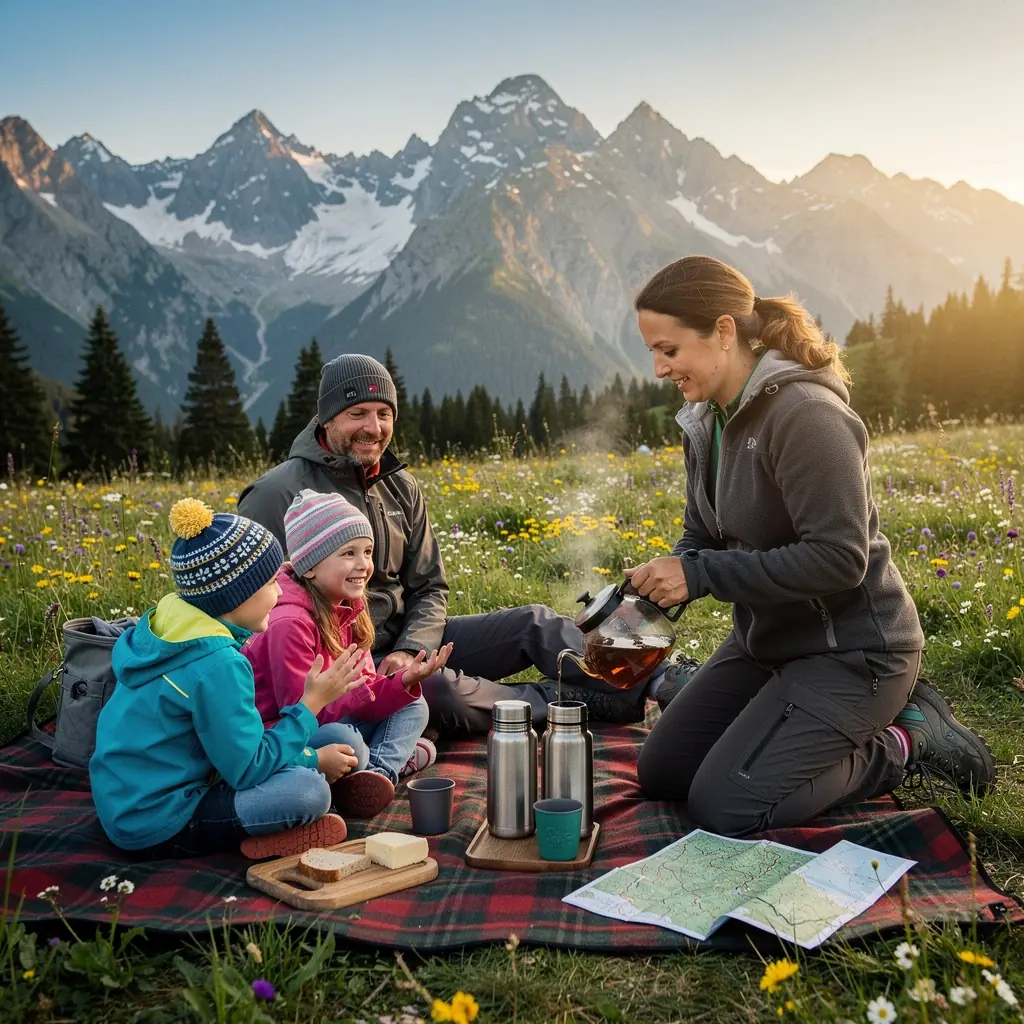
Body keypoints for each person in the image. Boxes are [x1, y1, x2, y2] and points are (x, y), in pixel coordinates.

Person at [629, 255, 995, 837]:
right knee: (663, 771)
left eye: (669, 350)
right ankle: (790, 721)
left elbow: (840, 559)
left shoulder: (807, 415)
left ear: (724, 331)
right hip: (766, 642)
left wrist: (700, 576)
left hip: (853, 653)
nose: (657, 368)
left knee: (728, 806)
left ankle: (910, 739)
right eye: (652, 350)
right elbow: (703, 534)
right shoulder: (705, 420)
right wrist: (650, 592)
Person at [238, 354, 659, 732]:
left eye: (384, 413)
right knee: (441, 692)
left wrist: (411, 647)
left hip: (413, 638)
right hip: (343, 663)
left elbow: (429, 587)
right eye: (357, 413)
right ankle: (574, 702)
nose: (374, 427)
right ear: (327, 418)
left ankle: (650, 681)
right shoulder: (275, 494)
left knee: (534, 623)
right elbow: (255, 611)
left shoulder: (400, 486)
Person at [90, 498, 367, 860]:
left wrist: (315, 750)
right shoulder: (218, 664)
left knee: (338, 740)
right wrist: (312, 708)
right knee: (308, 792)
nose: (281, 592)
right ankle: (272, 831)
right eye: (271, 583)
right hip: (160, 819)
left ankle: (284, 823)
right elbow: (248, 768)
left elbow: (235, 747)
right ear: (237, 594)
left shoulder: (172, 627)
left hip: (136, 794)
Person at [245, 489, 451, 818]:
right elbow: (300, 711)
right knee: (345, 739)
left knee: (413, 702)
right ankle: (386, 758)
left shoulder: (349, 605)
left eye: (367, 552)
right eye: (348, 553)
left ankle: (376, 776)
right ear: (309, 566)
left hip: (334, 712)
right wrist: (364, 695)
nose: (364, 565)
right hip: (284, 730)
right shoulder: (289, 624)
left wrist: (403, 682)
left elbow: (363, 685)